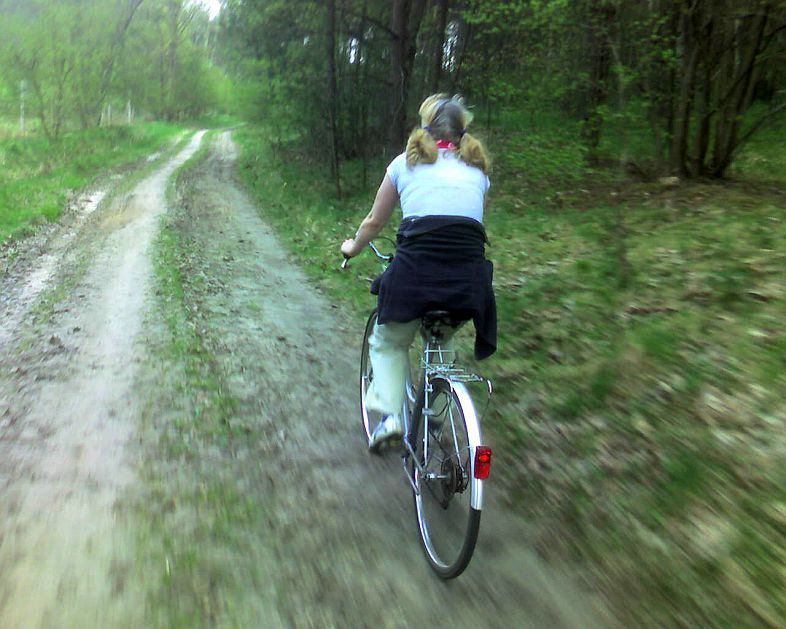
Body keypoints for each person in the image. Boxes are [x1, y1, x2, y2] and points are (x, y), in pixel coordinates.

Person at [341, 93, 497, 450]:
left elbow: (375, 221)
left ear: (425, 127)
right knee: (441, 341)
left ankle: (393, 417)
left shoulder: (402, 165)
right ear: (462, 132)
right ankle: (437, 420)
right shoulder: (478, 171)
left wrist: (353, 247)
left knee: (389, 340)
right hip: (468, 281)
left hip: (416, 273)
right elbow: (464, 225)